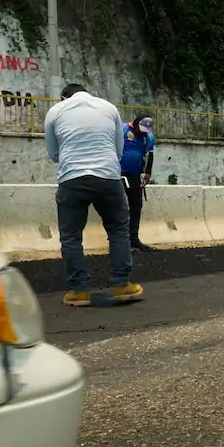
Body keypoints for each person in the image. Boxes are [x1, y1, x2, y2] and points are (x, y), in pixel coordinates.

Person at [45, 84, 143, 307]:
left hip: (72, 178)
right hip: (108, 177)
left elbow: (53, 154)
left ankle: (80, 292)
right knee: (118, 230)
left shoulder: (55, 111)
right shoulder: (109, 108)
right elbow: (118, 149)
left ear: (63, 97)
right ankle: (121, 285)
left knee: (71, 237)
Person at [120, 113, 156, 252]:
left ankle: (134, 239)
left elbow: (150, 155)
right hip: (120, 174)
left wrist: (148, 173)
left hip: (135, 175)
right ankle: (119, 242)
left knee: (136, 206)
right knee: (120, 208)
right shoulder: (123, 130)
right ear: (135, 123)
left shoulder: (148, 137)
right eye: (140, 128)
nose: (142, 132)